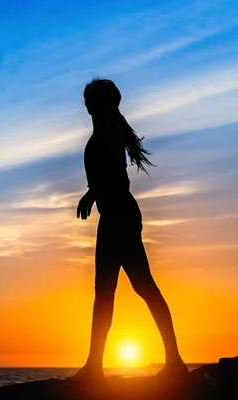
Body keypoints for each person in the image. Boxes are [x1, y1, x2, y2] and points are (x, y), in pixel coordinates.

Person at [70, 78, 188, 381]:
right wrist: (95, 193)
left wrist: (91, 193)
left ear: (107, 101)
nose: (86, 102)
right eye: (85, 97)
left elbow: (116, 172)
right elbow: (110, 170)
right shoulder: (105, 129)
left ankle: (173, 361)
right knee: (110, 292)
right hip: (113, 217)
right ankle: (95, 366)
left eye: (92, 97)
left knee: (140, 288)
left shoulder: (108, 129)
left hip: (119, 216)